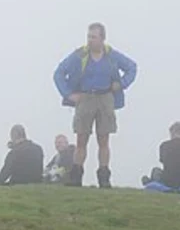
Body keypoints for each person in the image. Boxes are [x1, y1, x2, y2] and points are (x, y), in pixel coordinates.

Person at [52, 22, 138, 188]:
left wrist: (121, 84)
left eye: (94, 37)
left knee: (103, 140)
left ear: (102, 39)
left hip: (105, 98)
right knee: (81, 138)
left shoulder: (111, 55)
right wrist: (68, 94)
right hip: (85, 98)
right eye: (88, 37)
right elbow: (59, 73)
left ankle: (104, 176)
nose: (90, 40)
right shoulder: (79, 55)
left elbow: (132, 67)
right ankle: (76, 176)